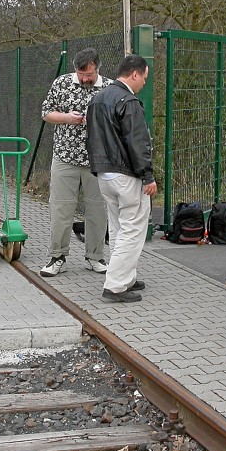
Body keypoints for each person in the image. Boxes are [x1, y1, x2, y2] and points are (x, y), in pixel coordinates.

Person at [86, 54, 157, 303]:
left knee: (117, 227)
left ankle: (126, 277)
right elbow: (138, 142)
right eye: (144, 78)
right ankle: (116, 285)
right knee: (132, 229)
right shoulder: (129, 101)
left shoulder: (98, 98)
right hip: (127, 174)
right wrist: (147, 175)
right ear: (135, 74)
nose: (144, 83)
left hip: (104, 173)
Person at [39, 48, 112, 278]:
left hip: (97, 160)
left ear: (97, 69)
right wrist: (67, 118)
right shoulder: (61, 83)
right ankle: (57, 256)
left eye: (89, 74)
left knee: (97, 210)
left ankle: (95, 257)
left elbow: (117, 121)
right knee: (61, 208)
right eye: (81, 74)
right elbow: (46, 113)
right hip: (65, 157)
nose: (85, 79)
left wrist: (96, 120)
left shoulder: (109, 87)